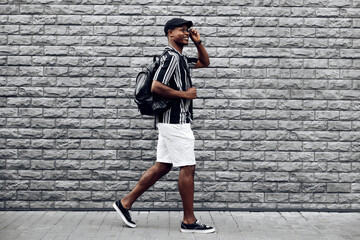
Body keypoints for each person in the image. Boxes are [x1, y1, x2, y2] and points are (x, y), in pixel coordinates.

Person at [113, 18, 215, 234]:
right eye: (182, 30)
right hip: (176, 122)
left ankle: (125, 203)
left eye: (188, 31)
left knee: (163, 166)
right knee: (187, 167)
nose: (187, 33)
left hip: (170, 122)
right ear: (170, 33)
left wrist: (199, 42)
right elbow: (156, 86)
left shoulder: (179, 58)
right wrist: (184, 94)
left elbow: (205, 63)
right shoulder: (171, 58)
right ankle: (189, 221)